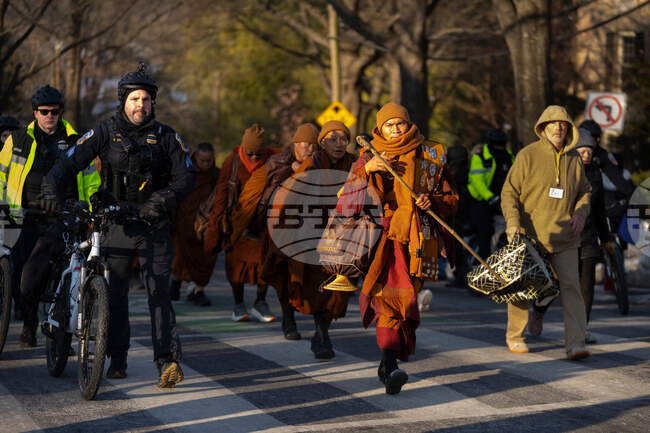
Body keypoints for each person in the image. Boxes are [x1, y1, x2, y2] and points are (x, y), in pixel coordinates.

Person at [41, 62, 195, 387]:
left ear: (153, 104)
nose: (141, 105)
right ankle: (118, 357)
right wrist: (50, 189)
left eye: (146, 100)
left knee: (159, 293)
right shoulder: (103, 133)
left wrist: (160, 201)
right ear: (123, 101)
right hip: (114, 222)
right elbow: (68, 162)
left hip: (153, 224)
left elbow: (186, 177)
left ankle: (166, 360)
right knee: (116, 295)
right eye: (135, 99)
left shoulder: (167, 136)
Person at [338, 102, 458, 394]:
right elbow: (345, 203)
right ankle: (390, 366)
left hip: (418, 239)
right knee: (392, 300)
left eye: (399, 123)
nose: (395, 129)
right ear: (379, 128)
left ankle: (386, 364)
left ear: (409, 124)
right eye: (388, 124)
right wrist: (367, 170)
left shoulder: (430, 153)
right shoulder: (368, 156)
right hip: (383, 239)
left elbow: (451, 197)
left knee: (407, 303)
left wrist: (433, 203)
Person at [0, 85, 100, 347]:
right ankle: (29, 326)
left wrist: (90, 208)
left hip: (63, 216)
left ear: (61, 112)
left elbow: (90, 180)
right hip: (23, 216)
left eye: (54, 112)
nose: (49, 116)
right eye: (44, 112)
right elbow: (1, 174)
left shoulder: (76, 141)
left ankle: (59, 329)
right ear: (35, 112)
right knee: (25, 274)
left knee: (61, 273)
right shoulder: (17, 139)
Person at [501, 105, 591, 360]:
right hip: (530, 236)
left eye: (563, 124)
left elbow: (585, 190)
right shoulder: (527, 155)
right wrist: (512, 221)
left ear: (569, 129)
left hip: (565, 238)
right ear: (542, 127)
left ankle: (575, 344)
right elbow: (509, 192)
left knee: (572, 288)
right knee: (521, 288)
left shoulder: (575, 159)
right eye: (553, 123)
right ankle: (515, 336)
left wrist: (580, 213)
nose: (559, 127)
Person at [267, 120, 357, 359]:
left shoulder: (354, 164)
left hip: (344, 238)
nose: (338, 145)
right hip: (312, 236)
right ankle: (321, 337)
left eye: (343, 140)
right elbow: (292, 199)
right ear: (322, 143)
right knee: (318, 287)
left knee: (339, 288)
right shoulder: (311, 163)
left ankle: (322, 333)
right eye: (332, 139)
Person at [528, 128, 611, 345]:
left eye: (590, 152)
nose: (587, 155)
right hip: (561, 239)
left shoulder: (596, 175)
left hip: (588, 238)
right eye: (583, 151)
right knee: (553, 285)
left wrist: (607, 239)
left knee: (585, 288)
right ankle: (538, 310)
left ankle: (580, 330)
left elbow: (599, 210)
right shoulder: (561, 170)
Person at [203, 124, 277, 323]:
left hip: (262, 225)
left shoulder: (273, 159)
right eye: (250, 153)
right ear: (243, 148)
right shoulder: (233, 161)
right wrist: (217, 224)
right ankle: (238, 304)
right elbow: (221, 194)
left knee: (264, 267)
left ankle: (260, 302)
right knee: (236, 268)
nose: (254, 158)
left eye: (258, 154)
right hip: (236, 224)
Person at [258, 123, 318, 340]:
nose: (310, 149)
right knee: (283, 274)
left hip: (308, 229)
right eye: (305, 144)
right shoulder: (278, 162)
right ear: (295, 144)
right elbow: (267, 191)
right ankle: (288, 321)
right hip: (278, 227)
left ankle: (304, 319)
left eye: (314, 144)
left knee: (303, 277)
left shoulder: (319, 163)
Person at [171, 142, 220, 306]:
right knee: (179, 256)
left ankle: (199, 291)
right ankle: (175, 283)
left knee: (205, 258)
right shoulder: (184, 170)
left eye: (209, 161)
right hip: (184, 220)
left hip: (206, 224)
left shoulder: (215, 175)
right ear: (196, 158)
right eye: (203, 161)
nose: (206, 164)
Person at [467, 128, 514, 260]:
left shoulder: (509, 158)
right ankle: (484, 263)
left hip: (502, 199)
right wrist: (490, 197)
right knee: (484, 230)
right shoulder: (480, 158)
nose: (499, 147)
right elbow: (478, 182)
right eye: (497, 144)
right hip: (481, 200)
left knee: (507, 231)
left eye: (502, 144)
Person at [446, 144, 471, 288]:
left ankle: (460, 275)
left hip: (457, 212)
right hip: (467, 211)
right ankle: (461, 274)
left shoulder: (452, 173)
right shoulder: (468, 170)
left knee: (456, 245)